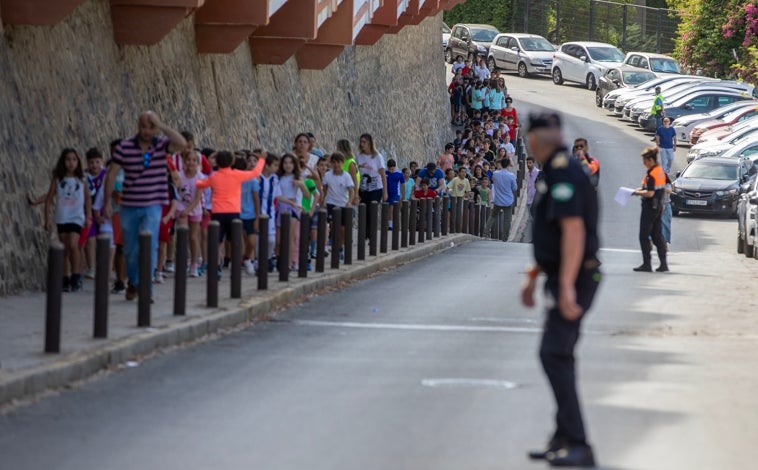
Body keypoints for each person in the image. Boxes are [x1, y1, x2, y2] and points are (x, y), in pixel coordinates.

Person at [521, 112, 601, 468]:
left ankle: (579, 442)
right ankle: (563, 437)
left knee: (554, 354)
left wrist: (566, 285)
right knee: (560, 354)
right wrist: (534, 275)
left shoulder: (564, 170)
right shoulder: (553, 170)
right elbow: (551, 232)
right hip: (564, 275)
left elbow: (573, 230)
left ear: (535, 140)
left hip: (578, 276)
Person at [103, 111, 187, 301]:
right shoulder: (124, 147)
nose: (147, 131)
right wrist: (107, 201)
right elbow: (112, 174)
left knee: (149, 246)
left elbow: (182, 143)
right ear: (137, 126)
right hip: (129, 205)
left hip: (153, 205)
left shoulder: (161, 145)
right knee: (131, 249)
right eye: (143, 126)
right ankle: (133, 281)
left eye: (151, 127)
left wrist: (162, 125)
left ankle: (146, 290)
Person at [196, 151, 266, 278]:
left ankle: (216, 268)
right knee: (236, 241)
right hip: (234, 212)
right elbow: (255, 173)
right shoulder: (237, 175)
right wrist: (261, 159)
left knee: (217, 242)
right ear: (232, 162)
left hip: (217, 213)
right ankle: (235, 267)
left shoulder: (214, 176)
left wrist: (197, 173)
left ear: (217, 162)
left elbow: (200, 184)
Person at [44, 148, 92, 292]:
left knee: (73, 244)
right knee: (65, 249)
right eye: (68, 159)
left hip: (77, 217)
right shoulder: (58, 178)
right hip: (62, 216)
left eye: (74, 159)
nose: (71, 163)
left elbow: (88, 198)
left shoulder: (82, 178)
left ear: (78, 161)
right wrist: (46, 219)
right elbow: (49, 198)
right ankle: (65, 278)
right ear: (63, 161)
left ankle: (76, 276)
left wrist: (88, 216)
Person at [632, 146, 668, 272]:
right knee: (657, 235)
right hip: (658, 206)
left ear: (650, 160)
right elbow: (662, 189)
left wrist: (638, 193)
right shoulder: (660, 171)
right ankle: (664, 264)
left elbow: (650, 193)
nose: (643, 163)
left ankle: (647, 264)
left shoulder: (651, 174)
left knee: (644, 235)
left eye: (645, 161)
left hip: (650, 207)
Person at [175, 150, 206, 277]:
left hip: (194, 208)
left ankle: (194, 263)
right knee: (182, 235)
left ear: (198, 163)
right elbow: (176, 190)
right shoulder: (179, 175)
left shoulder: (200, 178)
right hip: (181, 206)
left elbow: (198, 197)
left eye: (194, 160)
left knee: (193, 236)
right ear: (184, 161)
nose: (191, 162)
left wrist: (189, 210)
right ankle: (182, 262)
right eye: (188, 160)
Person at [322, 152, 355, 255]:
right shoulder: (327, 175)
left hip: (343, 204)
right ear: (331, 163)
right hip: (330, 203)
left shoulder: (346, 176)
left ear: (342, 163)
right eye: (334, 162)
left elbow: (351, 190)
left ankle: (340, 247)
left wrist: (350, 201)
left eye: (339, 162)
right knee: (332, 225)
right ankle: (333, 245)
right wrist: (322, 201)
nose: (336, 165)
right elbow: (324, 189)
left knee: (342, 228)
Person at [484, 157, 518, 241]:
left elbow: (493, 180)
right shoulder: (511, 175)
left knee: (492, 216)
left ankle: (486, 231)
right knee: (507, 220)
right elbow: (514, 188)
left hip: (498, 200)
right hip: (508, 201)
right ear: (508, 164)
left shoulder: (495, 173)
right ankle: (505, 237)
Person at [356, 133, 388, 205]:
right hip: (363, 188)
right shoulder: (359, 156)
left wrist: (385, 192)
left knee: (372, 210)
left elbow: (383, 175)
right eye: (361, 142)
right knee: (363, 211)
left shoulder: (377, 157)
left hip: (375, 189)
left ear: (369, 143)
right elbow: (356, 172)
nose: (362, 144)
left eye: (364, 142)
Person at [385, 159, 405, 229]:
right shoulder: (385, 172)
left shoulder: (399, 174)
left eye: (392, 169)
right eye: (390, 169)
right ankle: (388, 224)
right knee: (386, 209)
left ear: (395, 167)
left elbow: (403, 185)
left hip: (395, 194)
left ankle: (391, 226)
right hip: (386, 193)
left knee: (391, 208)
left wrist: (403, 196)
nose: (391, 171)